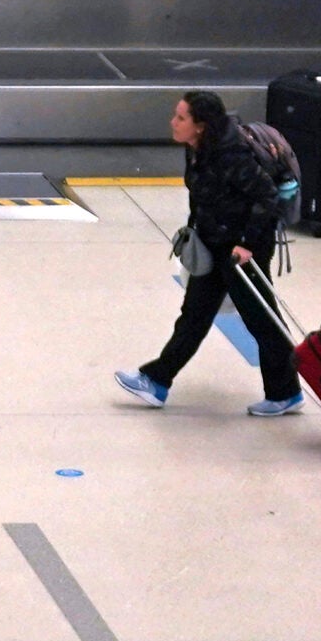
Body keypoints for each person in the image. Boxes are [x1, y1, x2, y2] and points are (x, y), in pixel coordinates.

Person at [113, 90, 302, 418]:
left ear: (200, 125)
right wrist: (194, 232)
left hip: (242, 251)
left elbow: (266, 198)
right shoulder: (197, 148)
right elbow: (204, 195)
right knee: (194, 315)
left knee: (262, 321)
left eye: (181, 118)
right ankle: (157, 381)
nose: (173, 122)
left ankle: (286, 392)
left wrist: (247, 245)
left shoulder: (232, 154)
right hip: (214, 243)